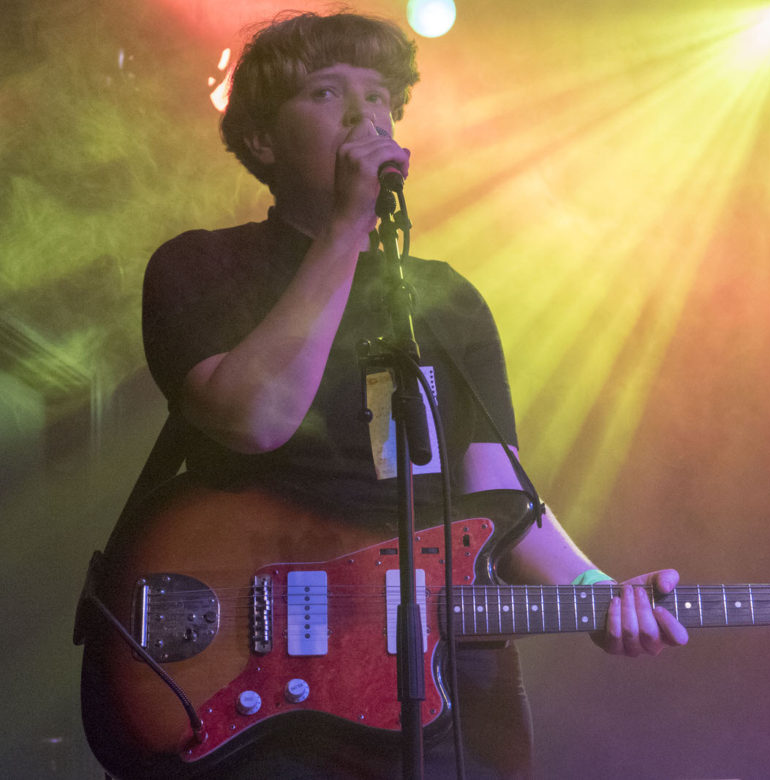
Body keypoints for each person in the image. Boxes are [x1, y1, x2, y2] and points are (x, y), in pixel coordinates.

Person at [136, 11, 687, 778]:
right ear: (262, 141)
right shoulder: (200, 267)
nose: (365, 114)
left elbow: (500, 498)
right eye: (328, 93)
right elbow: (253, 419)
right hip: (255, 676)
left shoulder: (446, 299)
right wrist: (346, 226)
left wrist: (599, 591)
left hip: (443, 683)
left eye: (379, 96)